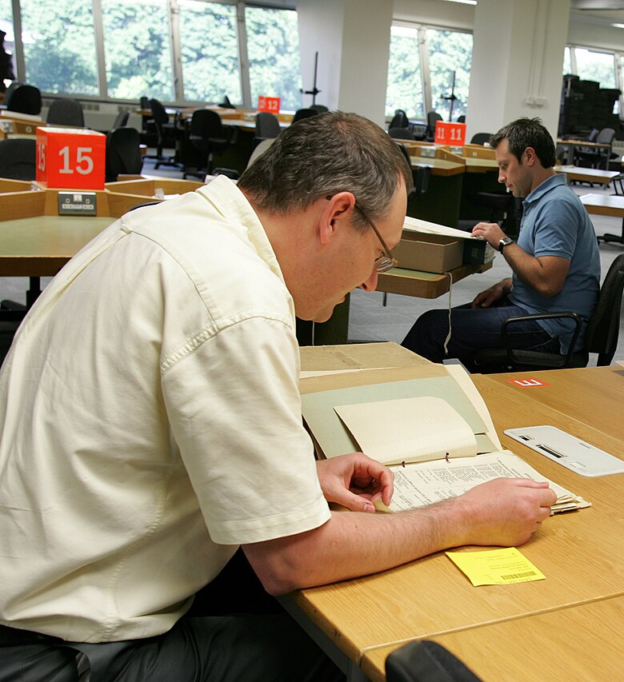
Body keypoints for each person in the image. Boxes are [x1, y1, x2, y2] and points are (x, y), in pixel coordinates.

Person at [0, 112, 558, 681]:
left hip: (37, 581)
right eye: (380, 254)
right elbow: (294, 559)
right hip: (70, 649)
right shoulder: (238, 298)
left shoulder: (175, 223)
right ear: (337, 215)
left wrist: (292, 479)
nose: (370, 282)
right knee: (355, 650)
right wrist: (463, 516)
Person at [402, 117, 601, 368]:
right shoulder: (544, 199)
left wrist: (503, 242)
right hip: (539, 313)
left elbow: (548, 282)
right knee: (440, 325)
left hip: (550, 327)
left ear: (529, 157)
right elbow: (547, 268)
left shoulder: (556, 205)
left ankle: (396, 402)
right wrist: (508, 285)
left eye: (505, 166)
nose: (500, 177)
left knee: (431, 329)